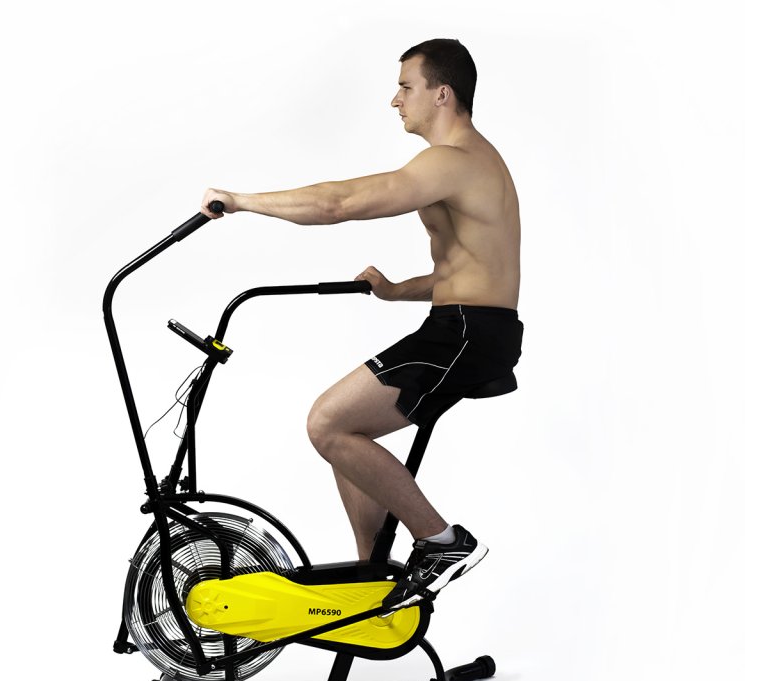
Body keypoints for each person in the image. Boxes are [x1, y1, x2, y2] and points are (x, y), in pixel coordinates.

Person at [200, 38, 522, 610]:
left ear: (442, 94)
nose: (395, 100)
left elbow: (339, 204)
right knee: (346, 433)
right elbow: (470, 270)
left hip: (465, 334)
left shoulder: (454, 161)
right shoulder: (473, 162)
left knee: (328, 424)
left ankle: (442, 542)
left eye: (405, 87)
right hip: (469, 328)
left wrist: (241, 201)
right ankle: (372, 582)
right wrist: (398, 291)